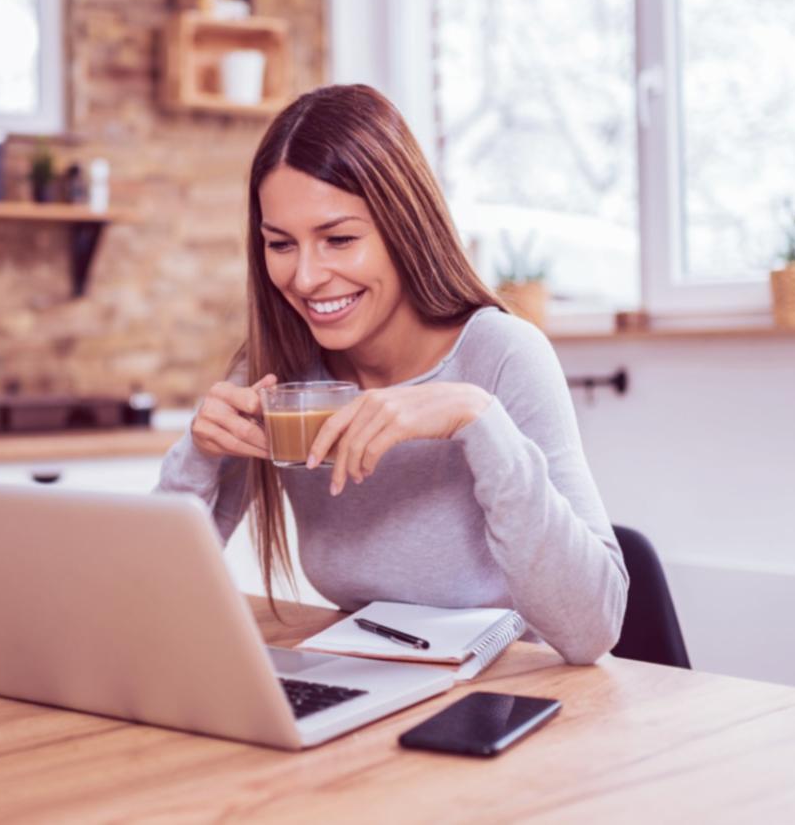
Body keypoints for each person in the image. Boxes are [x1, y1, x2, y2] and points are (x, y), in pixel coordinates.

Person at [155, 84, 627, 665]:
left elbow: (592, 630)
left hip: (507, 690)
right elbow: (145, 601)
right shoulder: (279, 377)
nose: (305, 277)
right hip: (364, 676)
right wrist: (199, 455)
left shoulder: (504, 355)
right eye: (280, 244)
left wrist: (478, 419)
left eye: (339, 239)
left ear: (405, 227)